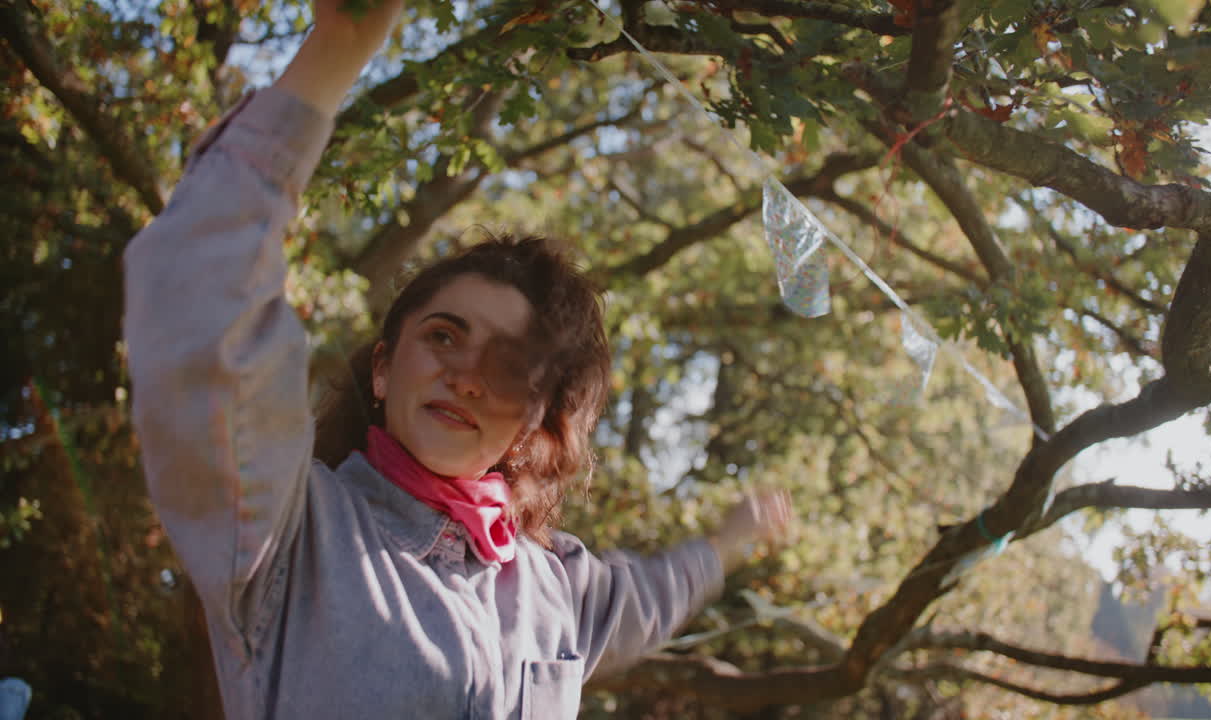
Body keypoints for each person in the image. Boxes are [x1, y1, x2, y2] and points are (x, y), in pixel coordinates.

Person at [123, 1, 791, 717]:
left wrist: (727, 542)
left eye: (508, 364)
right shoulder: (286, 533)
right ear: (383, 369)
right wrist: (337, 51)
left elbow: (648, 599)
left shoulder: (554, 588)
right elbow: (201, 296)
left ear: (534, 416)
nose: (467, 376)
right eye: (443, 335)